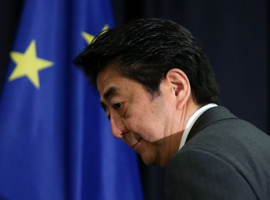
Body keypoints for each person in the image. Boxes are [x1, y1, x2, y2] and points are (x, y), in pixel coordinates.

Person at [73, 18, 270, 199]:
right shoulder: (254, 143)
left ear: (176, 88)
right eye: (109, 114)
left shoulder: (198, 162)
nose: (116, 131)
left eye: (119, 105)